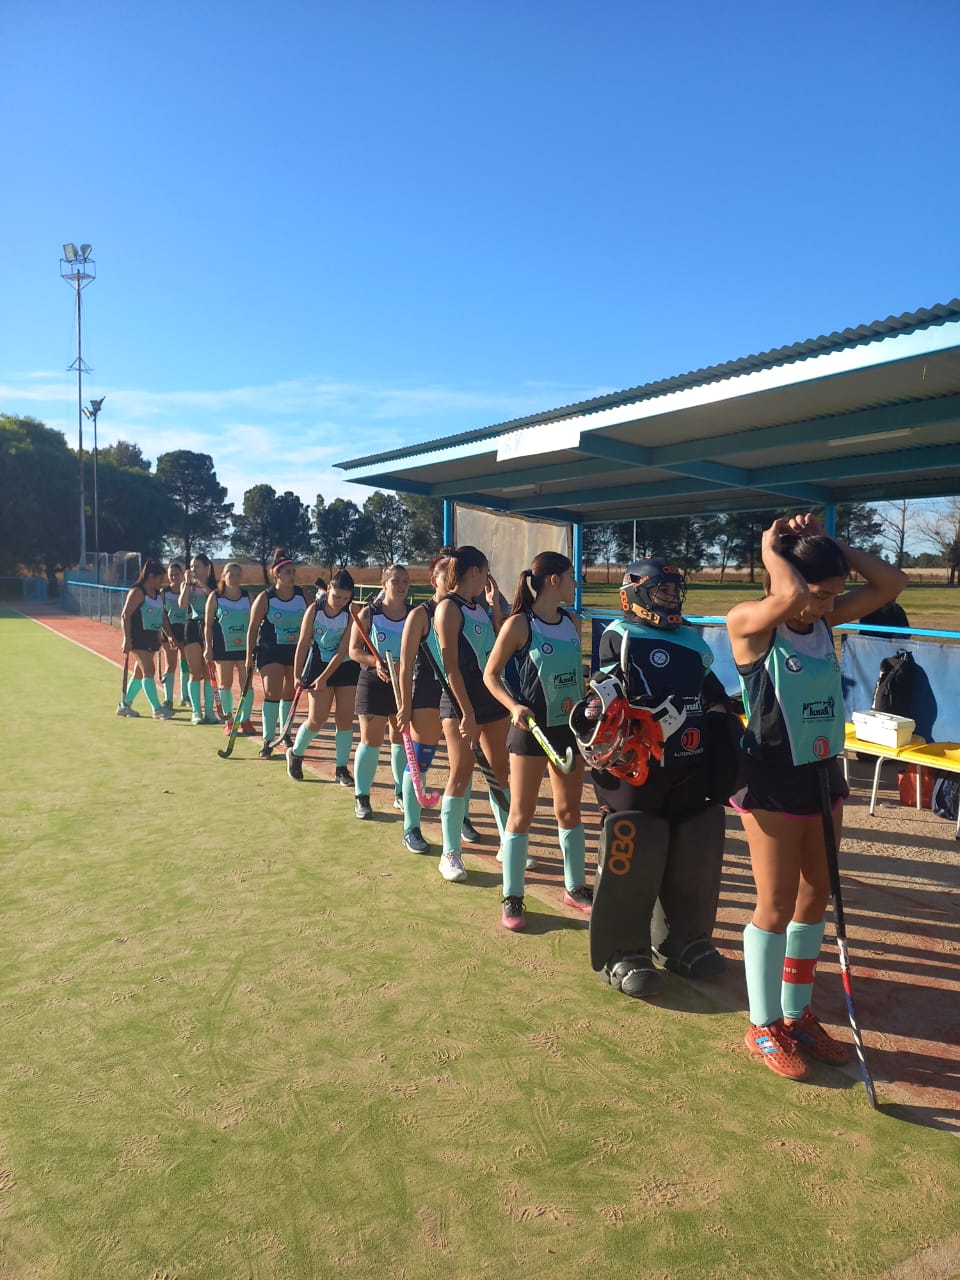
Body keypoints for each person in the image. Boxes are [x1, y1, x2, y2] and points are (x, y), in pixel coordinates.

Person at [725, 513, 908, 1080]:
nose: (825, 606)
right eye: (820, 594)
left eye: (833, 595)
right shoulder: (750, 621)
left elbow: (891, 584)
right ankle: (762, 1025)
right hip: (771, 779)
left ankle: (796, 1014)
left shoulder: (821, 619)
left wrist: (836, 547)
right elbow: (789, 597)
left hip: (823, 774)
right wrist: (771, 547)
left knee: (815, 894)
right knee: (776, 903)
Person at [581, 557, 738, 997]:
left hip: (690, 766)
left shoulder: (692, 640)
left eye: (673, 591)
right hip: (638, 770)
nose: (670, 599)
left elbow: (711, 692)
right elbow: (604, 694)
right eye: (660, 591)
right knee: (635, 848)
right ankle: (623, 952)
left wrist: (724, 721)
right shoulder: (620, 636)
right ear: (633, 594)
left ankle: (685, 941)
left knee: (696, 844)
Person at [483, 552, 589, 930]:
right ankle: (512, 896)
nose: (576, 583)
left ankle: (575, 887)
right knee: (521, 813)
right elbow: (491, 675)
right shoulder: (519, 624)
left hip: (569, 731)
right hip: (531, 731)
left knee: (569, 811)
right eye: (572, 576)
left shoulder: (573, 621)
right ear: (554, 580)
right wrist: (514, 706)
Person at [432, 545, 509, 883]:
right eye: (486, 572)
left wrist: (494, 608)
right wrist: (467, 713)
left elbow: (493, 649)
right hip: (460, 703)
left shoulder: (479, 606)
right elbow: (451, 667)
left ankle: (509, 843)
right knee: (460, 774)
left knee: (500, 772)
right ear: (474, 571)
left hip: (491, 701)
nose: (488, 579)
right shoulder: (448, 608)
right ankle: (450, 853)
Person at [349, 564, 411, 818]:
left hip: (404, 685)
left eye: (405, 581)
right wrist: (376, 663)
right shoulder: (369, 614)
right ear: (384, 584)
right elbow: (354, 651)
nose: (401, 586)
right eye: (395, 581)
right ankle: (362, 797)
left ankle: (401, 794)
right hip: (373, 683)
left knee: (400, 738)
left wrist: (404, 667)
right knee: (370, 740)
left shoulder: (414, 615)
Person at [287, 570, 359, 784]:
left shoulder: (352, 612)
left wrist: (325, 677)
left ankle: (341, 769)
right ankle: (295, 753)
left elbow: (343, 650)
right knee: (317, 719)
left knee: (345, 719)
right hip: (318, 665)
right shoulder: (314, 610)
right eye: (337, 596)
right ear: (328, 589)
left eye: (345, 598)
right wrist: (297, 674)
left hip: (345, 667)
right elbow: (303, 643)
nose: (340, 602)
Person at [247, 550, 308, 758]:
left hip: (295, 650)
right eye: (287, 572)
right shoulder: (266, 597)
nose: (292, 576)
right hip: (270, 649)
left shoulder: (302, 595)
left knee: (289, 692)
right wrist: (248, 656)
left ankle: (285, 734)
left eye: (293, 572)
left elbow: (316, 617)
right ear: (277, 575)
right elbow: (252, 628)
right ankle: (268, 739)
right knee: (272, 692)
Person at [117, 560, 175, 720]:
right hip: (138, 637)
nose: (162, 581)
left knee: (139, 673)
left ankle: (124, 705)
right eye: (160, 578)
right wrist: (126, 638)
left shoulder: (157, 594)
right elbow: (125, 615)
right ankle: (157, 709)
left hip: (152, 637)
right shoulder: (138, 592)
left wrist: (169, 635)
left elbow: (162, 617)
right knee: (149, 670)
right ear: (151, 576)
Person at [204, 562, 254, 737]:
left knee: (246, 684)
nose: (234, 578)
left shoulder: (248, 596)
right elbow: (208, 624)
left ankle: (245, 720)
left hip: (245, 648)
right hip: (222, 647)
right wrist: (208, 647)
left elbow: (255, 622)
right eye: (230, 574)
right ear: (224, 576)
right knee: (225, 684)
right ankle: (229, 721)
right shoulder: (215, 596)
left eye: (237, 574)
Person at [180, 552, 219, 725]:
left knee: (209, 671)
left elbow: (215, 600)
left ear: (207, 568)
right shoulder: (187, 585)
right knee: (195, 672)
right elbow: (182, 604)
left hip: (210, 627)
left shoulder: (215, 586)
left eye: (197, 566)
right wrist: (187, 584)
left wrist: (203, 585)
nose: (194, 569)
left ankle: (209, 711)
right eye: (192, 566)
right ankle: (196, 711)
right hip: (192, 626)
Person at [160, 561, 190, 708]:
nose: (173, 577)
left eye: (176, 574)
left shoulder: (188, 590)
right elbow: (161, 614)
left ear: (182, 575)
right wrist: (169, 635)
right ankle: (168, 699)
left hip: (185, 629)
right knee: (170, 664)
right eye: (171, 575)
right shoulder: (164, 592)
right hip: (169, 630)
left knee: (185, 662)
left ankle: (185, 696)